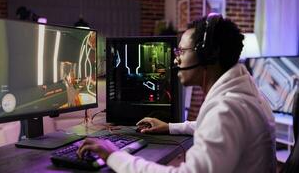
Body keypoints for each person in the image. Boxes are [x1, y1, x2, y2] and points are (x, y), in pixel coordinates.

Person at [77, 13, 277, 173]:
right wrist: (171, 127)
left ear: (207, 55)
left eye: (181, 52)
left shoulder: (226, 109)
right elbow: (212, 127)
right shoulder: (245, 92)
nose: (175, 60)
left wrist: (113, 155)